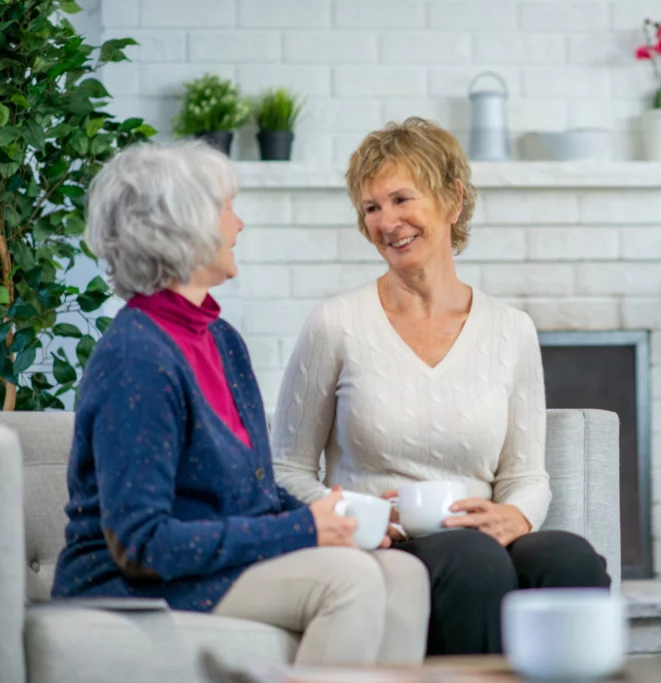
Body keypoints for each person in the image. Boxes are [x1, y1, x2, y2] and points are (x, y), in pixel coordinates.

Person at [50, 141, 429, 666]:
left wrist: (339, 514)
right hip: (126, 583)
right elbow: (141, 545)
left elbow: (252, 495)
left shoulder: (221, 340)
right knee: (349, 580)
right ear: (183, 226)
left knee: (405, 573)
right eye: (226, 209)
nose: (239, 224)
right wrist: (305, 529)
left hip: (209, 566)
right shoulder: (136, 357)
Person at [272, 117, 611, 656]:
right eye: (371, 207)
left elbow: (526, 474)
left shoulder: (511, 329)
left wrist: (516, 515)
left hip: (480, 540)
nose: (387, 222)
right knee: (472, 561)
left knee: (570, 559)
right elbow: (285, 470)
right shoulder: (336, 323)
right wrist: (361, 514)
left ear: (453, 200)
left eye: (401, 199)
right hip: (386, 546)